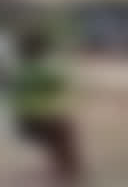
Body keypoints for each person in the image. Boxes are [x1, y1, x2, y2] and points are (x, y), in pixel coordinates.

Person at [11, 30, 79, 184]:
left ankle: (65, 168)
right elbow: (61, 87)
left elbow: (19, 91)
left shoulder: (28, 67)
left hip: (40, 112)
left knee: (57, 141)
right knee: (59, 141)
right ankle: (66, 168)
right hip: (48, 112)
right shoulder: (42, 66)